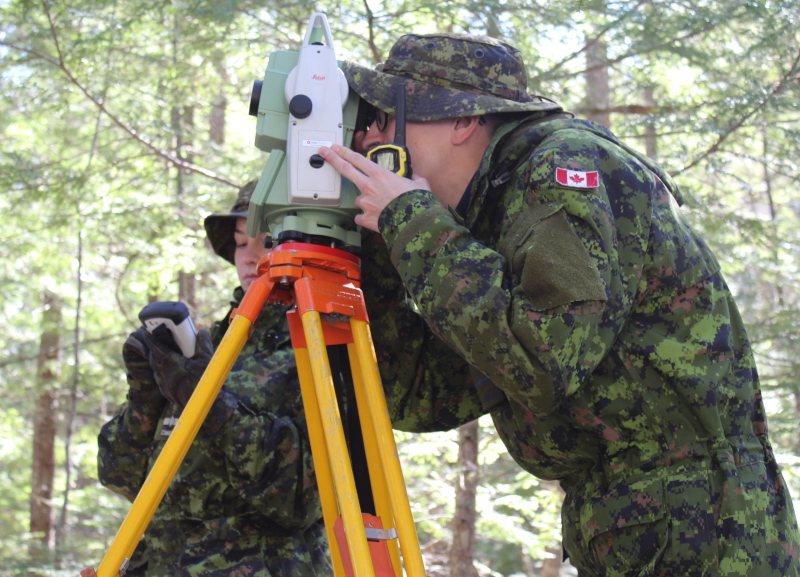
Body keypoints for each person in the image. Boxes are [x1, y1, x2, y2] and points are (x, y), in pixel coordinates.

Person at [318, 33, 800, 576]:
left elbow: (543, 359)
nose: (371, 134)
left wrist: (410, 220)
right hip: (631, 526)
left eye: (388, 114)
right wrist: (379, 254)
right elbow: (420, 395)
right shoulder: (481, 218)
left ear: (462, 120)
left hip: (704, 530)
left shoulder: (563, 165)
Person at [97, 181, 332, 576]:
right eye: (240, 243)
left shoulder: (322, 343)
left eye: (266, 241)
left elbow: (300, 497)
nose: (248, 257)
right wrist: (146, 397)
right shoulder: (209, 347)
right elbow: (121, 479)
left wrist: (211, 406)